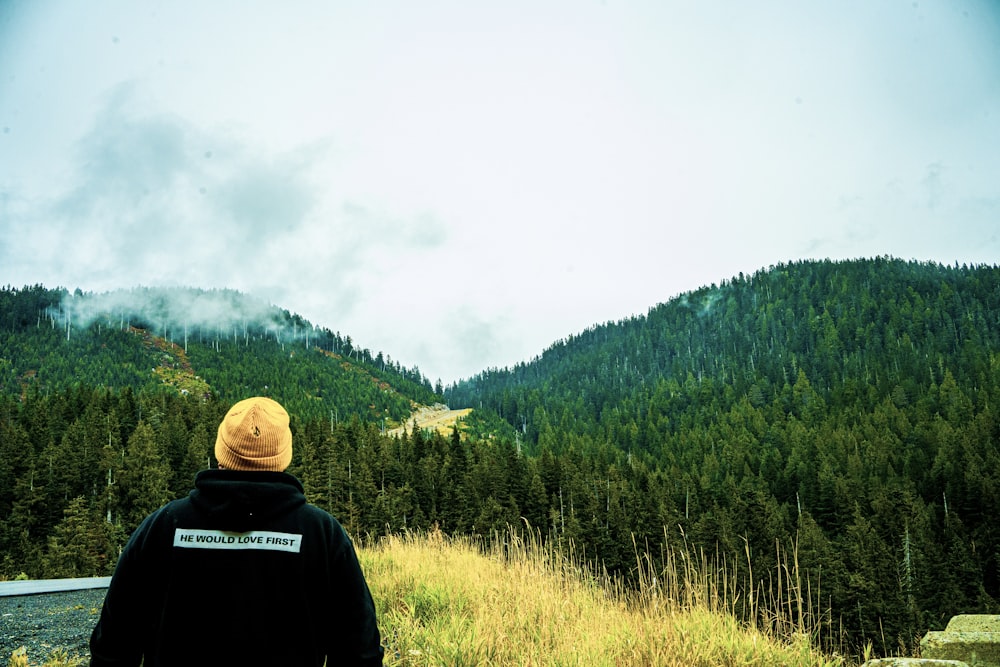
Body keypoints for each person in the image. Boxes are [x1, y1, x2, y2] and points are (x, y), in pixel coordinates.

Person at [90, 396, 384, 666]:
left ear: (222, 452)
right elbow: (360, 650)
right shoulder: (322, 533)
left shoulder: (164, 526)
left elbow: (113, 646)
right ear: (282, 458)